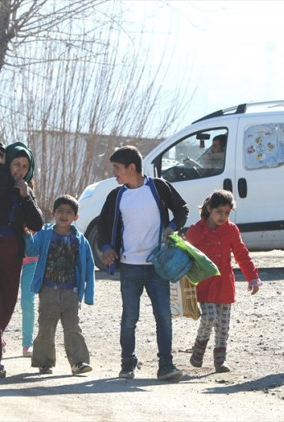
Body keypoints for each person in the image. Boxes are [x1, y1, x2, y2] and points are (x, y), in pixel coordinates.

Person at [97, 145, 189, 381]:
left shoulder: (158, 188)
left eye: (117, 168)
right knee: (129, 318)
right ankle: (127, 364)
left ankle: (166, 366)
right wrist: (107, 248)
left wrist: (171, 227)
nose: (114, 173)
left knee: (163, 317)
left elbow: (182, 210)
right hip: (129, 267)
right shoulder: (116, 196)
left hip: (158, 266)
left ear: (132, 167)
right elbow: (104, 228)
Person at [0, 142, 44, 379]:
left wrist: (25, 197)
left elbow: (36, 224)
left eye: (25, 166)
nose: (20, 170)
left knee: (6, 306)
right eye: (16, 164)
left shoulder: (26, 191)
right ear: (8, 163)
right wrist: (1, 168)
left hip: (12, 253)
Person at [186, 190, 262, 373]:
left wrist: (252, 277)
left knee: (223, 324)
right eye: (219, 212)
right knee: (209, 317)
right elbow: (186, 257)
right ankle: (199, 346)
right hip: (204, 284)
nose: (223, 216)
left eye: (227, 213)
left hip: (225, 285)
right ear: (209, 209)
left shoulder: (231, 230)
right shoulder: (196, 231)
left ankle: (220, 360)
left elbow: (241, 254)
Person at [26, 195, 95, 375]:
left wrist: (88, 294)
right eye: (60, 211)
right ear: (53, 213)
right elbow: (31, 250)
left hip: (71, 292)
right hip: (48, 290)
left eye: (69, 212)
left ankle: (78, 362)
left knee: (73, 328)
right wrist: (26, 236)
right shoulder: (44, 234)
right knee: (46, 328)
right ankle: (44, 362)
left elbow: (88, 267)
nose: (64, 215)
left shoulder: (80, 240)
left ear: (76, 217)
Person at [20, 254, 38, 357]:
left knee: (28, 302)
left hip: (32, 260)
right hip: (8, 257)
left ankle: (27, 343)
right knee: (4, 300)